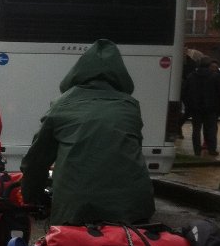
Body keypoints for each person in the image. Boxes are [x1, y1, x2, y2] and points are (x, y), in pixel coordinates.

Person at [20, 38, 154, 225]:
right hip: (133, 206)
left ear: (78, 72)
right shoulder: (130, 106)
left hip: (76, 207)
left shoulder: (62, 105)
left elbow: (36, 161)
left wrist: (32, 197)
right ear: (120, 74)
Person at [182, 56, 220, 157]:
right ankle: (212, 149)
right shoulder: (214, 76)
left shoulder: (191, 76)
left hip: (195, 109)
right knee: (211, 129)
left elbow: (184, 92)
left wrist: (189, 104)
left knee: (196, 130)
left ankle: (197, 151)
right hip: (211, 108)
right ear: (208, 66)